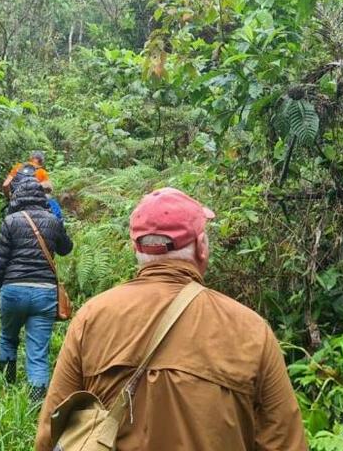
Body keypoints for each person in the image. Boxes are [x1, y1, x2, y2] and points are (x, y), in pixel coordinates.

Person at [35, 187, 307, 450]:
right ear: (201, 246)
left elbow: (52, 432)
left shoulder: (92, 318)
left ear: (135, 248)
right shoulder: (251, 330)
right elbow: (283, 442)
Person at [0, 176, 73, 402]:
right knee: (38, 353)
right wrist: (57, 225)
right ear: (41, 196)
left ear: (17, 196)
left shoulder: (10, 221)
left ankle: (6, 388)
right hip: (44, 292)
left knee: (8, 338)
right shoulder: (52, 220)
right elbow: (66, 248)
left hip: (13, 289)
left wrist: (0, 289)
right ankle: (36, 404)